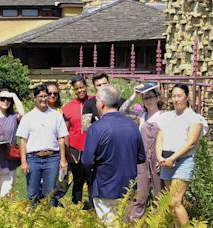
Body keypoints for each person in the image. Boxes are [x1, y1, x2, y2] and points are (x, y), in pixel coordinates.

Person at [82, 84, 145, 224]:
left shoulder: (96, 128)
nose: (96, 102)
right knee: (123, 223)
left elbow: (87, 161)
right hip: (127, 187)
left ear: (102, 103)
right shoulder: (133, 126)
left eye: (97, 99)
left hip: (105, 186)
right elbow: (141, 157)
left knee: (108, 223)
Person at [155, 83, 208, 226]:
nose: (176, 99)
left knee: (175, 201)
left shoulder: (195, 118)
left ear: (186, 96)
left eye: (179, 96)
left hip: (182, 161)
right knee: (171, 202)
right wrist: (159, 156)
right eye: (174, 96)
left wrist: (173, 158)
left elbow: (191, 143)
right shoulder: (166, 116)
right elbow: (160, 137)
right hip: (166, 161)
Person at [16, 84, 68, 206]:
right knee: (32, 193)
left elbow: (61, 139)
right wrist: (23, 162)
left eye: (46, 96)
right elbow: (23, 141)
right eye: (40, 96)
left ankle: (48, 219)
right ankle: (32, 219)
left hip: (52, 158)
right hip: (33, 158)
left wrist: (63, 160)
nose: (43, 99)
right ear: (34, 98)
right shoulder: (28, 117)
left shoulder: (56, 116)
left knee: (49, 193)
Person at [121, 84, 165, 221]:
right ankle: (134, 222)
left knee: (160, 194)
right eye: (145, 98)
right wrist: (134, 94)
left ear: (157, 98)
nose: (148, 100)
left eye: (151, 97)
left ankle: (159, 221)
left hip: (158, 159)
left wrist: (163, 158)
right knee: (140, 195)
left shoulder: (165, 116)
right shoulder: (141, 116)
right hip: (142, 160)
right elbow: (122, 111)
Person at [62, 76, 93, 208]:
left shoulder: (94, 101)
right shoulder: (69, 107)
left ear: (86, 86)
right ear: (74, 90)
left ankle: (94, 208)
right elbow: (65, 131)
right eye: (77, 88)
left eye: (82, 87)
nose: (80, 90)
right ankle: (76, 208)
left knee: (92, 180)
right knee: (78, 180)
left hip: (92, 148)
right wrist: (68, 151)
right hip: (75, 149)